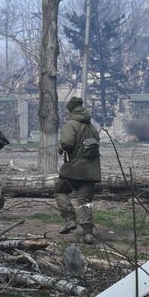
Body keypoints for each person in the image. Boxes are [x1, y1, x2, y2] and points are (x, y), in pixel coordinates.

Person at [56, 97, 101, 244]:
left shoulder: (70, 124)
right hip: (92, 169)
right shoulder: (91, 125)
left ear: (70, 109)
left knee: (60, 190)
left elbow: (67, 143)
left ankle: (70, 220)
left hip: (75, 168)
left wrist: (61, 147)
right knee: (85, 201)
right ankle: (88, 234)